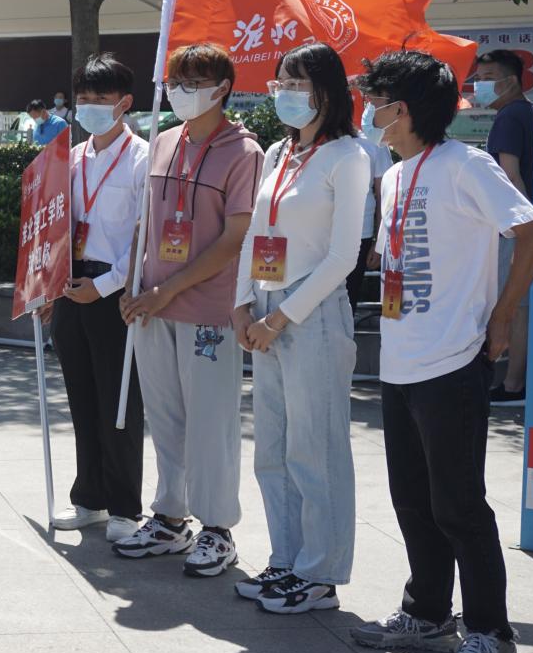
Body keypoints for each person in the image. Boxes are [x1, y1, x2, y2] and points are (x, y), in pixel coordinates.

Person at [350, 49, 533, 653]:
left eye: (377, 99)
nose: (370, 110)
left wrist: (500, 316)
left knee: (459, 506)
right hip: (402, 363)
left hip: (453, 362)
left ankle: (492, 635)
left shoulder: (468, 164)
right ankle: (427, 615)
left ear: (401, 108)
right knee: (413, 501)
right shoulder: (395, 174)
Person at [231, 43, 369, 613]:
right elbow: (254, 233)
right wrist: (242, 306)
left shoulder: (349, 157)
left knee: (318, 448)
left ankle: (320, 574)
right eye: (280, 83)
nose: (286, 93)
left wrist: (280, 316)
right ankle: (285, 560)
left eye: (297, 83)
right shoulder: (277, 153)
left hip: (309, 311)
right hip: (264, 308)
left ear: (326, 92)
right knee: (275, 448)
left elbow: (342, 256)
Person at [116, 42, 262, 577]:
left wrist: (168, 288)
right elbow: (145, 222)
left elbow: (235, 238)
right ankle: (170, 517)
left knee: (211, 421)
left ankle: (218, 529)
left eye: (193, 82)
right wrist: (136, 283)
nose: (180, 92)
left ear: (222, 88)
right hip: (153, 305)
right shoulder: (162, 141)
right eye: (176, 82)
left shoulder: (243, 152)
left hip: (206, 308)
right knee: (167, 418)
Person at [42, 54, 149, 545]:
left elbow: (145, 242)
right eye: (82, 98)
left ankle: (126, 507)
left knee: (119, 403)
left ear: (124, 104)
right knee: (82, 402)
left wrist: (105, 287)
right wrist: (48, 286)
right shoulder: (68, 155)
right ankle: (90, 499)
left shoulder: (145, 158)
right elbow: (52, 225)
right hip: (69, 287)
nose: (88, 107)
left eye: (99, 100)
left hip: (115, 293)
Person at [474, 49, 533, 406]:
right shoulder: (527, 112)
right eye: (477, 79)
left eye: (487, 79)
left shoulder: (508, 119)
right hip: (527, 227)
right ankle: (516, 381)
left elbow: (510, 177)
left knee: (516, 307)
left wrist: (519, 228)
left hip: (515, 230)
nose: (480, 86)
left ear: (510, 81)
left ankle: (513, 384)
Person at [345, 135, 392, 312]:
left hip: (359, 235)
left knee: (348, 300)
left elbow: (384, 195)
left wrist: (378, 243)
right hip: (320, 233)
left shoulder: (375, 142)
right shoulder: (321, 136)